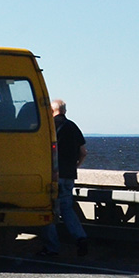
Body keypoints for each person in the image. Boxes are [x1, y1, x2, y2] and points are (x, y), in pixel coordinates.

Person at [39, 99, 89, 257]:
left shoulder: (48, 126)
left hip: (53, 176)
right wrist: (75, 167)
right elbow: (83, 152)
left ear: (51, 111)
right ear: (64, 111)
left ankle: (52, 247)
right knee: (67, 209)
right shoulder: (72, 126)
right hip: (69, 175)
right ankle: (81, 239)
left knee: (48, 210)